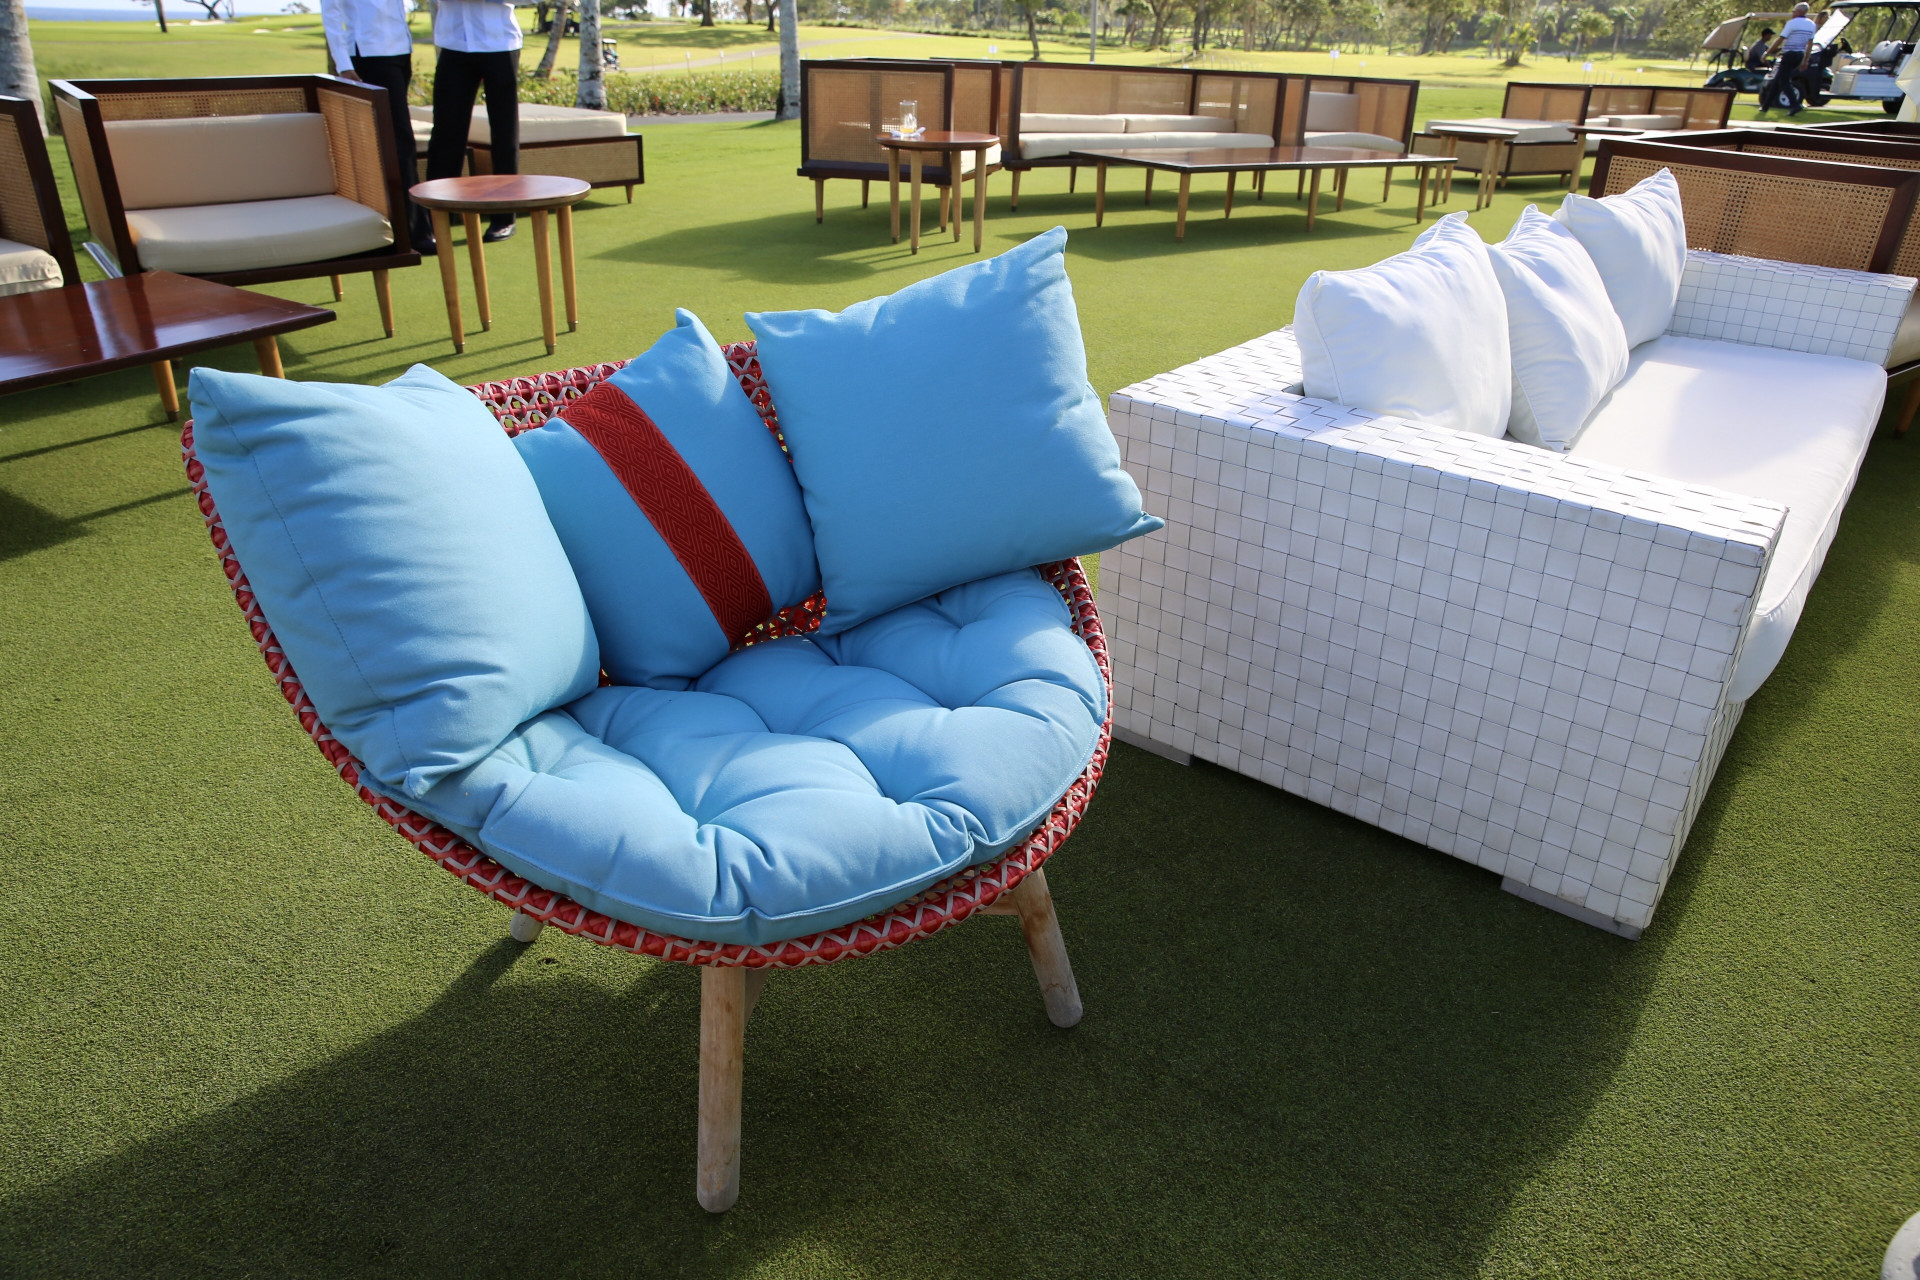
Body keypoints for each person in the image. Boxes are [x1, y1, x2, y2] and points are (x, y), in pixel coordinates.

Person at [318, 0, 435, 253]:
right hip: (369, 56)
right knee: (398, 141)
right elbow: (331, 14)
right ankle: (412, 232)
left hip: (401, 51)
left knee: (398, 141)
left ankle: (410, 226)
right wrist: (343, 65)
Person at [426, 0, 522, 242]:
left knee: (504, 132)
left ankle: (504, 217)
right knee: (446, 133)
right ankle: (437, 217)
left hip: (500, 43)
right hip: (454, 43)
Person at [1762, 2, 1819, 113]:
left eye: (1794, 11)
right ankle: (1765, 106)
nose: (1792, 13)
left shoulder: (1792, 23)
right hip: (1800, 55)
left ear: (1799, 12)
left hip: (1789, 54)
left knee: (1784, 81)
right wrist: (1805, 60)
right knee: (1778, 79)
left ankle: (1795, 104)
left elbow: (1780, 40)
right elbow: (1810, 44)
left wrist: (1767, 53)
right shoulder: (1811, 24)